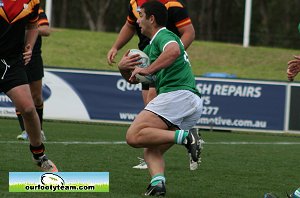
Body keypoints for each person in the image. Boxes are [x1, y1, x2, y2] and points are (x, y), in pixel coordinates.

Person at [118, 1, 203, 196]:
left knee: (133, 136)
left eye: (141, 16)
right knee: (151, 150)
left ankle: (186, 137)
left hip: (177, 95)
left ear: (152, 19)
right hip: (190, 101)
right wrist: (123, 68)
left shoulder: (163, 35)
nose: (138, 20)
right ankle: (158, 184)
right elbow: (134, 78)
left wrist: (147, 69)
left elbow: (173, 51)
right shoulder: (150, 48)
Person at [0, 1, 57, 172]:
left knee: (28, 109)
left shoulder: (32, 2)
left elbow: (33, 26)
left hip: (12, 63)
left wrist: (30, 46)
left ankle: (39, 155)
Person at [16, 8, 50, 141]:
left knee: (36, 96)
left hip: (34, 57)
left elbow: (46, 30)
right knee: (19, 95)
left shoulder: (36, 9)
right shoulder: (10, 10)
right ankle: (25, 130)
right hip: (15, 57)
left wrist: (29, 29)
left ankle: (38, 130)